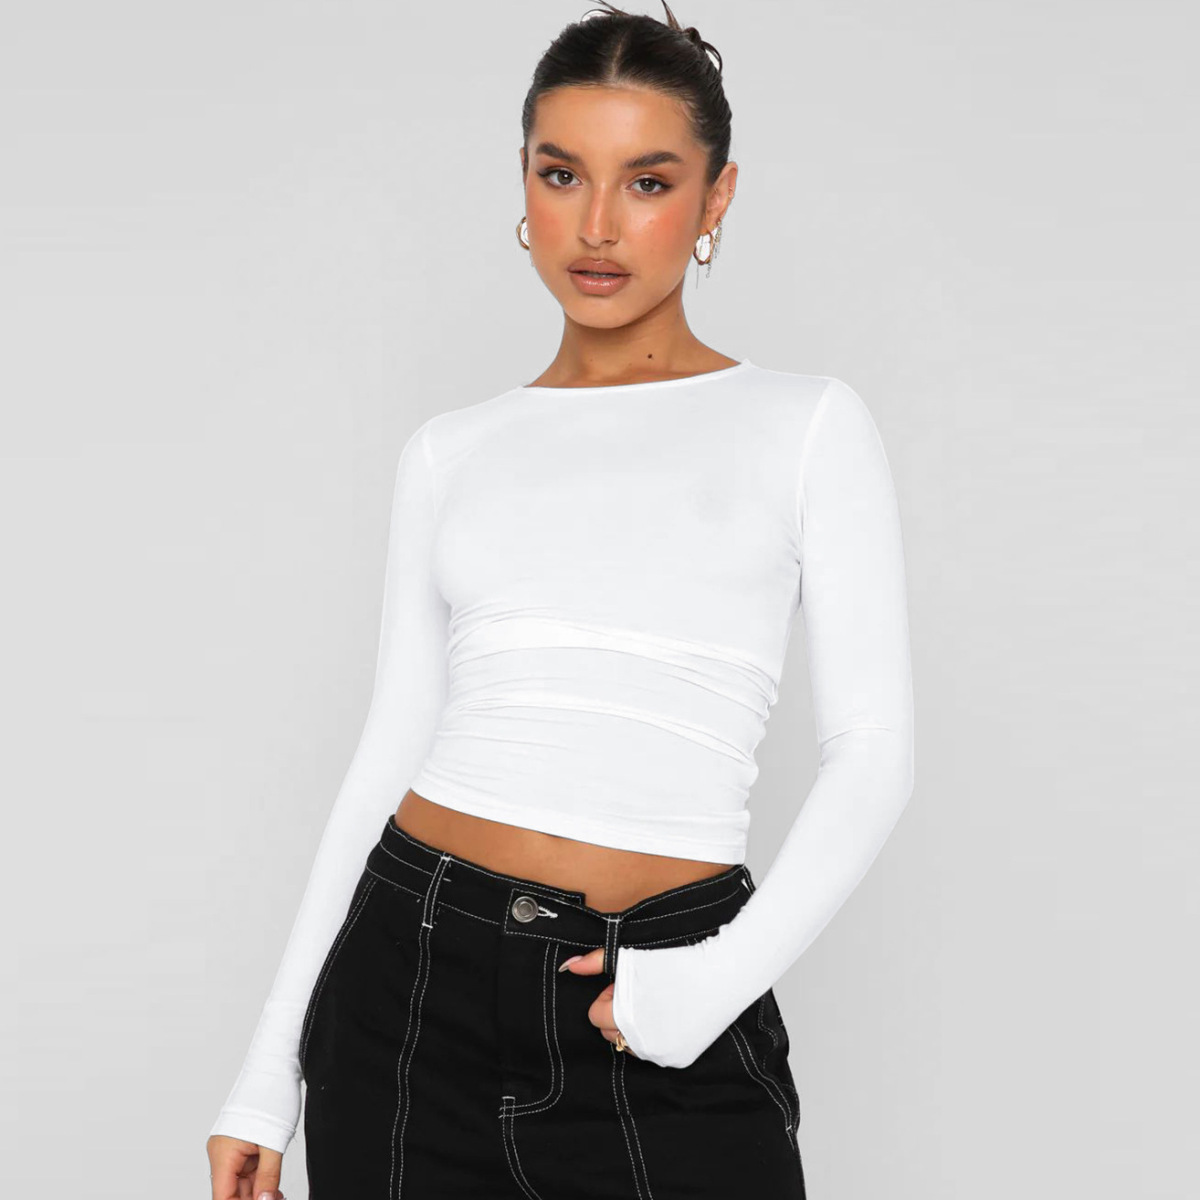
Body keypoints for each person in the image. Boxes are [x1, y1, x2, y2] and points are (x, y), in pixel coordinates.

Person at [206, 3, 914, 1197]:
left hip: (657, 990)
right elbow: (389, 754)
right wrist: (266, 1076)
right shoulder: (450, 453)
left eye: (648, 182)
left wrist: (710, 983)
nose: (596, 226)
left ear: (717, 199)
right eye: (562, 173)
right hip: (408, 990)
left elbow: (874, 755)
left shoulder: (807, 426)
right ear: (524, 183)